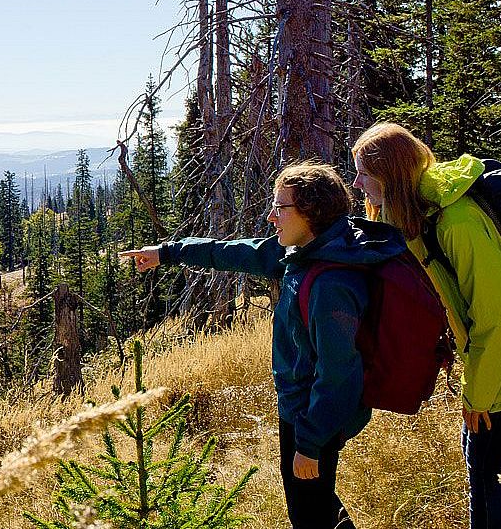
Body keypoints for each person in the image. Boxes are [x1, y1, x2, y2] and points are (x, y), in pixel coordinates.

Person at [124, 163, 403, 529]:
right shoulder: (303, 252)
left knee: (309, 515)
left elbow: (338, 374)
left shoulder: (330, 282)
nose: (271, 217)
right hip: (301, 411)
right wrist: (167, 252)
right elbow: (234, 253)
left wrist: (310, 443)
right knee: (317, 505)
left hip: (310, 416)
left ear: (311, 212)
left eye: (280, 207)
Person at [349, 123, 501, 529]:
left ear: (391, 174)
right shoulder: (420, 212)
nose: (356, 183)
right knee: (492, 462)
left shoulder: (456, 222)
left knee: (485, 472)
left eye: (364, 172)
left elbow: (498, 315)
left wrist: (479, 396)